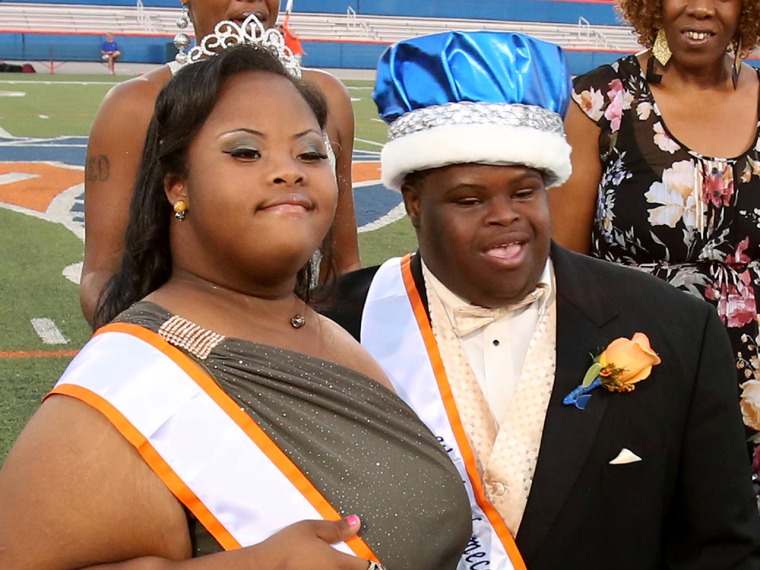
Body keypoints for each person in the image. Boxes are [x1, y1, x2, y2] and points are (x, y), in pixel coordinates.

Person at [0, 44, 472, 569]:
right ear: (177, 185)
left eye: (311, 153)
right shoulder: (131, 384)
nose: (288, 171)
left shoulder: (332, 333)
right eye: (246, 152)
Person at [321, 31, 760, 569]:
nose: (505, 215)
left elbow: (721, 548)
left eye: (524, 192)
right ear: (413, 202)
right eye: (469, 199)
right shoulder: (333, 325)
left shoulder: (675, 328)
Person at [547, 0, 760, 466]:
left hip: (752, 386)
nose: (701, 7)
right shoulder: (599, 101)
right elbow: (562, 268)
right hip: (634, 370)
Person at [80, 0, 361, 328]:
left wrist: (322, 353)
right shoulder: (134, 107)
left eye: (309, 153)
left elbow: (344, 264)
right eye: (244, 151)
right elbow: (103, 273)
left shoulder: (328, 98)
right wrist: (153, 345)